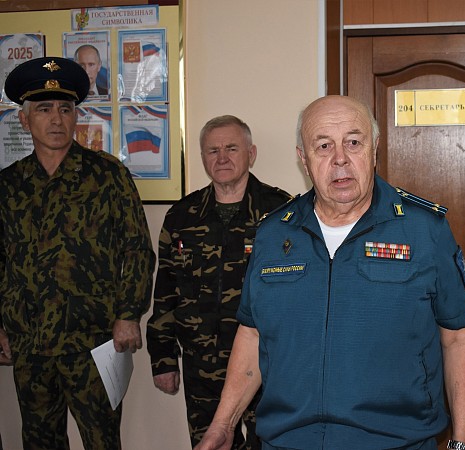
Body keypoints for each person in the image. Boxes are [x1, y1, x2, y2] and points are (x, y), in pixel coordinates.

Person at [195, 95, 465, 450]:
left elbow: (458, 338)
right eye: (323, 146)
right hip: (288, 443)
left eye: (353, 142)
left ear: (374, 149)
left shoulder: (424, 229)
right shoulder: (273, 234)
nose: (340, 158)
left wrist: (463, 442)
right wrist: (223, 423)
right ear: (303, 159)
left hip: (395, 443)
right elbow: (253, 335)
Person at [0, 57, 155, 448]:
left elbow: (136, 249)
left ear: (76, 117)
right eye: (44, 109)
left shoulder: (107, 175)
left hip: (94, 340)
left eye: (65, 109)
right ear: (24, 120)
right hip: (30, 344)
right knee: (40, 441)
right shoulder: (8, 185)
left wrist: (129, 314)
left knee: (102, 440)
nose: (57, 119)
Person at [146, 115, 292, 447]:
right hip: (202, 369)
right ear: (202, 157)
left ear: (251, 154)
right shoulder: (182, 216)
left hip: (266, 365)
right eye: (213, 151)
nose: (222, 158)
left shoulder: (282, 212)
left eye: (231, 148)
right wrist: (162, 358)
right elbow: (165, 291)